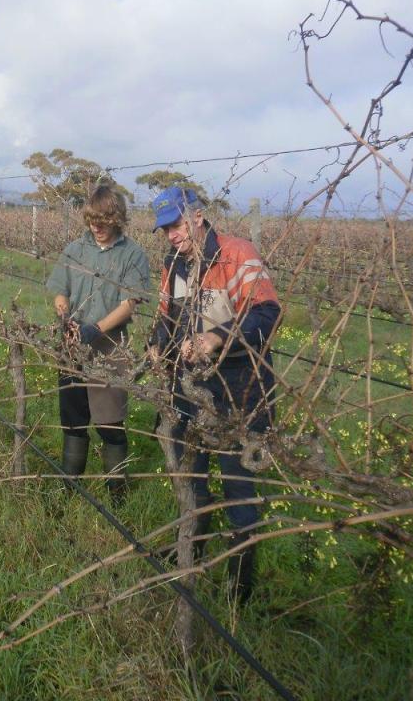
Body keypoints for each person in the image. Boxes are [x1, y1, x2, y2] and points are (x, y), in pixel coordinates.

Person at [148, 185, 280, 603]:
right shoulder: (175, 265)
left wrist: (217, 338)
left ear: (199, 215)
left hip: (242, 386)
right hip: (193, 387)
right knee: (194, 474)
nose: (172, 234)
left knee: (239, 485)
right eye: (165, 228)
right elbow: (166, 319)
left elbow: (268, 314)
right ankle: (193, 552)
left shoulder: (236, 253)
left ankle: (239, 586)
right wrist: (156, 345)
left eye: (177, 224)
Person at [45, 187, 150, 506]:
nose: (97, 226)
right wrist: (65, 316)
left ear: (117, 218)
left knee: (110, 423)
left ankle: (117, 497)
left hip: (110, 348)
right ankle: (68, 487)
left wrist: (97, 329)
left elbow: (131, 301)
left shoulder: (132, 254)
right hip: (72, 344)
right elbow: (60, 290)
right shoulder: (74, 250)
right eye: (92, 219)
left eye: (103, 219)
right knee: (73, 420)